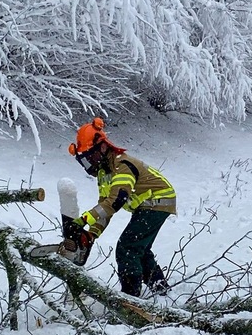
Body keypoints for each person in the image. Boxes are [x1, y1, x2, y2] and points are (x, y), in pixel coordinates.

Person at [67, 117, 176, 297]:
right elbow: (104, 209)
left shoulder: (121, 165)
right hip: (147, 205)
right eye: (84, 161)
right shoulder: (104, 173)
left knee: (127, 247)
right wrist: (91, 234)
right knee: (139, 249)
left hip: (158, 201)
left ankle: (130, 297)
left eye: (90, 157)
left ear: (103, 147)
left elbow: (116, 201)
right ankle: (161, 290)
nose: (89, 164)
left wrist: (83, 220)